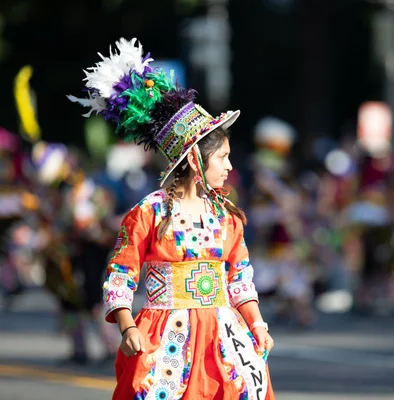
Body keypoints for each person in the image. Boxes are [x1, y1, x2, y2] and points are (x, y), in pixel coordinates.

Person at [68, 38, 275, 399]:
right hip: (165, 338)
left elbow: (240, 278)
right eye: (222, 157)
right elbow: (120, 273)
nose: (229, 166)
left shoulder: (227, 216)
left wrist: (256, 323)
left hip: (223, 338)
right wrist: (127, 325)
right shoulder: (148, 212)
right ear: (195, 159)